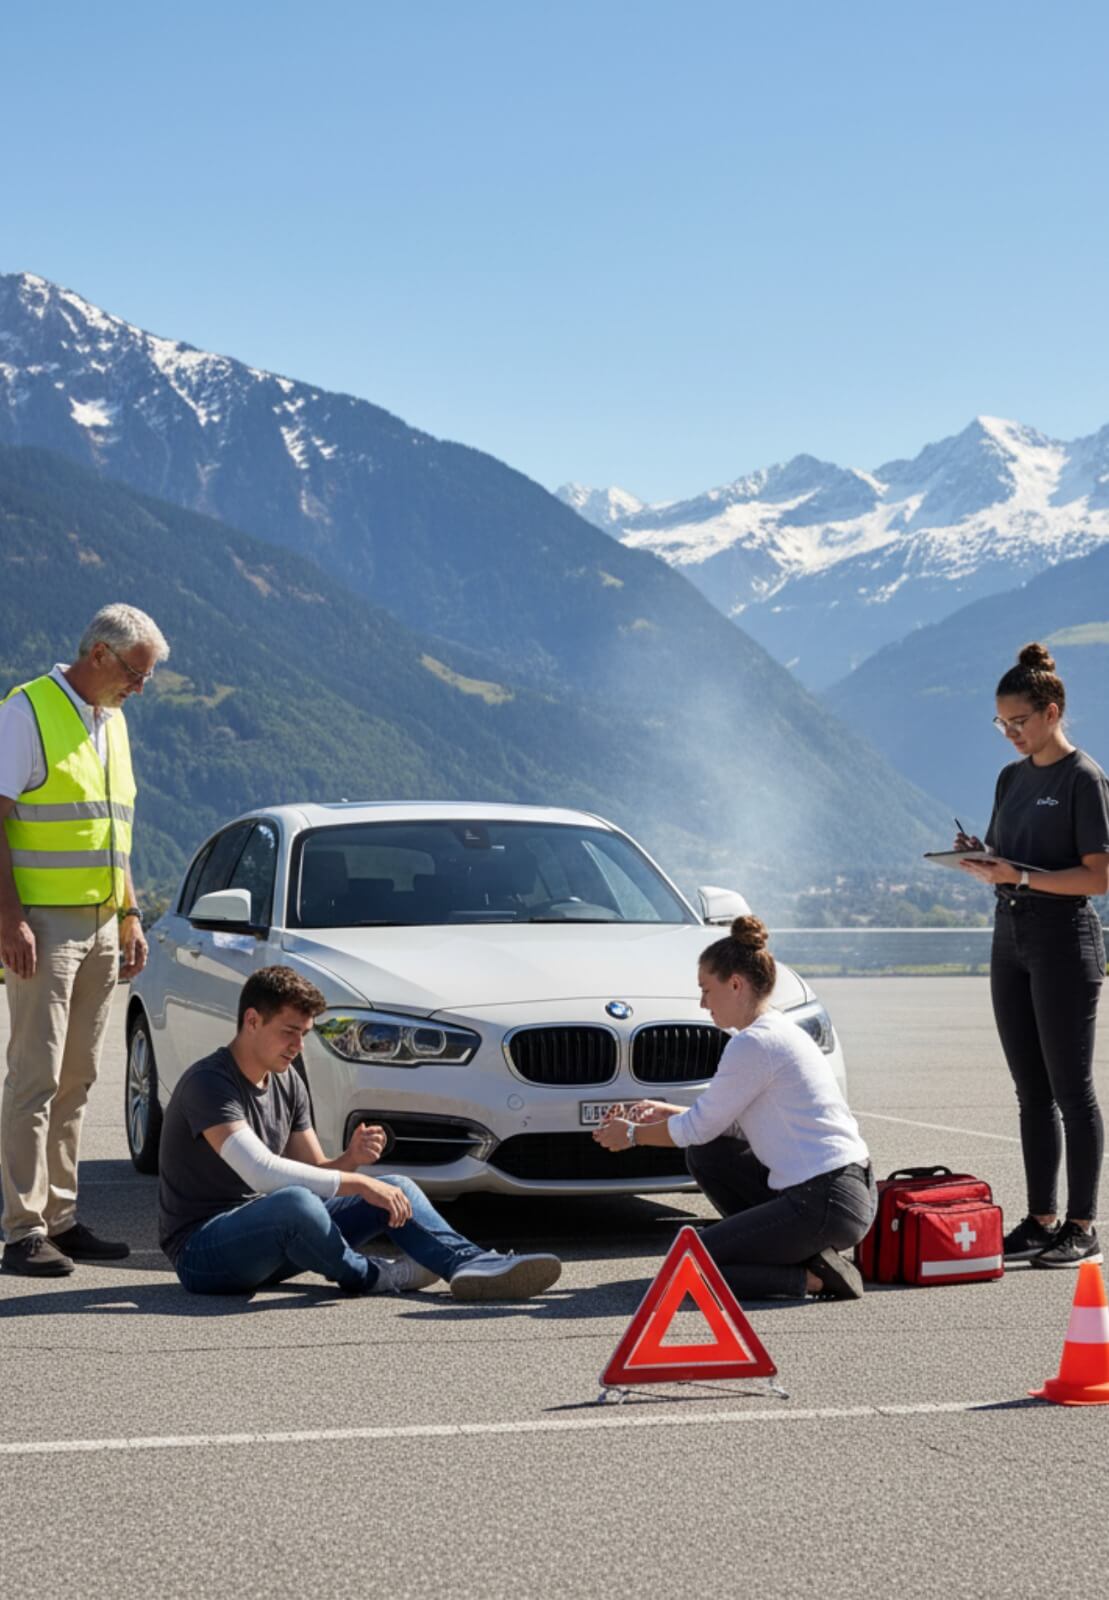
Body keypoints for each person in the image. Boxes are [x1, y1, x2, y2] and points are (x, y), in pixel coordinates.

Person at [159, 965, 563, 1301]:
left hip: (273, 1239)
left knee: (394, 1186)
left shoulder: (287, 1080)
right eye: (289, 1031)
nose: (298, 1044)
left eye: (305, 1033)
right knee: (301, 1203)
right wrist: (356, 1182)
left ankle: (469, 1264)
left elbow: (317, 1173)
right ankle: (376, 1276)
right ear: (252, 1020)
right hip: (203, 1252)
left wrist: (350, 1160)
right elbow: (261, 1172)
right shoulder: (209, 1083)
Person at [0, 603, 169, 1278]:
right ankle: (21, 1228)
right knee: (35, 1077)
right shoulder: (25, 711)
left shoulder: (113, 722)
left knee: (79, 1077)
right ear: (99, 653)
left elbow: (113, 834)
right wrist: (7, 916)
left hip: (102, 922)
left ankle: (61, 1217)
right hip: (40, 923)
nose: (139, 687)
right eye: (134, 672)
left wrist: (129, 916)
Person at [593, 915, 876, 1300]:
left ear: (736, 985)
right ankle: (793, 1255)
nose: (703, 1003)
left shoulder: (753, 1044)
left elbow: (698, 1127)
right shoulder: (776, 1031)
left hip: (824, 1201)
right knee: (708, 1154)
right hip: (839, 1193)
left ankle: (812, 1279)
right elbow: (722, 1127)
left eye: (707, 990)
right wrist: (664, 1111)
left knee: (686, 1265)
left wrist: (630, 1135)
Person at [957, 642, 1109, 1269]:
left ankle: (1082, 1225)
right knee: (1030, 1092)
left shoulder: (1084, 778)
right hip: (1009, 938)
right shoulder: (1011, 778)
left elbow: (1098, 877)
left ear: (1051, 712)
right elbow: (1010, 857)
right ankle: (1041, 1218)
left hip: (1064, 942)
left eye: (1018, 722)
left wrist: (1017, 877)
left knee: (1072, 1090)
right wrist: (981, 859)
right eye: (1002, 724)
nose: (1010, 734)